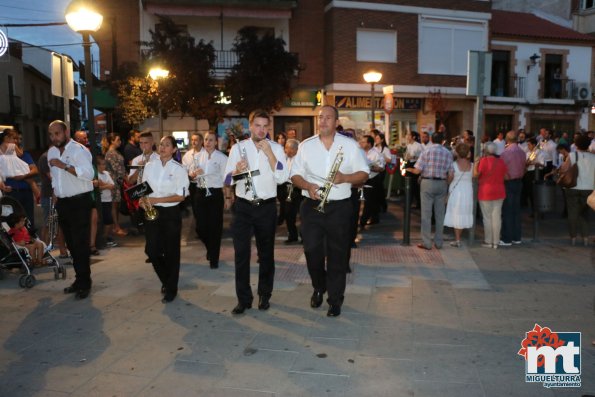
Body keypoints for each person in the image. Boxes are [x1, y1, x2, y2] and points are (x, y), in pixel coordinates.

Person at [290, 105, 369, 317]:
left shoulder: (350, 146)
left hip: (339, 207)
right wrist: (307, 186)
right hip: (312, 206)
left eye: (327, 117)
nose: (323, 121)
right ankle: (319, 286)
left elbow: (363, 174)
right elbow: (295, 175)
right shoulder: (306, 146)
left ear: (336, 122)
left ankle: (335, 299)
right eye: (320, 117)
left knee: (338, 255)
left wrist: (345, 178)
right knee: (311, 251)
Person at [224, 110, 289, 315]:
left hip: (267, 206)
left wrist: (270, 154)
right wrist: (235, 172)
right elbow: (226, 180)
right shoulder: (238, 148)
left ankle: (264, 295)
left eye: (265, 126)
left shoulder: (277, 148)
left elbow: (282, 178)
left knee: (266, 254)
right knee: (241, 254)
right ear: (250, 126)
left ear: (268, 128)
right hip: (243, 207)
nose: (261, 130)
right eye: (257, 125)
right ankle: (243, 299)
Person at [47, 120, 94, 300]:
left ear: (66, 132)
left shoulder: (78, 150)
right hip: (63, 203)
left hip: (80, 202)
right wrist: (55, 191)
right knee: (72, 245)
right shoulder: (52, 151)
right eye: (51, 134)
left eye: (57, 133)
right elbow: (54, 177)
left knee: (81, 244)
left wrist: (64, 165)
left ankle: (85, 283)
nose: (54, 137)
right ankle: (79, 279)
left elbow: (89, 174)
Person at [140, 136, 189, 303]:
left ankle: (171, 288)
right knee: (152, 251)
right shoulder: (149, 166)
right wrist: (142, 199)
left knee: (171, 252)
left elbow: (181, 196)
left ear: (174, 150)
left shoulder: (179, 169)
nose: (163, 147)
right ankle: (167, 280)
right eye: (161, 144)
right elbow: (144, 188)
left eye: (167, 145)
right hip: (152, 211)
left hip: (171, 213)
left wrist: (157, 200)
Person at [406, 132, 453, 250]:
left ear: (431, 139)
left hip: (427, 183)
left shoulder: (426, 152)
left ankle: (427, 243)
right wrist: (446, 183)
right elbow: (451, 173)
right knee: (440, 214)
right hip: (442, 183)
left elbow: (417, 171)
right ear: (442, 140)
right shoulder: (448, 153)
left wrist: (409, 169)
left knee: (426, 215)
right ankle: (439, 242)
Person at [191, 131, 227, 269]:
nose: (207, 142)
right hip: (200, 192)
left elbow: (226, 179)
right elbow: (191, 175)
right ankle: (210, 249)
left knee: (215, 228)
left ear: (216, 142)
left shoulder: (222, 158)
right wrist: (194, 174)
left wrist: (228, 196)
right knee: (200, 228)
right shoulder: (197, 156)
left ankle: (214, 258)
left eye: (211, 140)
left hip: (215, 194)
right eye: (206, 140)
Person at [1, 129, 41, 226]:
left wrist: (24, 176)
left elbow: (35, 170)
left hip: (26, 192)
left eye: (19, 139)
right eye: (15, 138)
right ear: (7, 138)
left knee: (28, 219)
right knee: (12, 219)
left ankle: (30, 237)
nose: (17, 141)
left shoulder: (26, 155)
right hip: (12, 192)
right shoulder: (10, 150)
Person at [474, 142, 508, 249]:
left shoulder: (483, 161)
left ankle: (488, 241)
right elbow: (506, 177)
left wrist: (475, 163)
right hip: (499, 191)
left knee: (487, 218)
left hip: (485, 191)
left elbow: (475, 175)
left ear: (486, 151)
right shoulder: (501, 162)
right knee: (497, 217)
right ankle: (496, 242)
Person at [565, 134, 595, 246]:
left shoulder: (572, 155)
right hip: (588, 188)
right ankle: (586, 238)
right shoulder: (593, 157)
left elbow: (565, 169)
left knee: (572, 213)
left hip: (573, 187)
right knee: (585, 214)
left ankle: (573, 237)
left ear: (576, 144)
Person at [499, 131, 526, 246]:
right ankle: (517, 237)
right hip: (519, 181)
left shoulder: (505, 153)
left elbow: (501, 169)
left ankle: (507, 238)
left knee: (507, 210)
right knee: (516, 210)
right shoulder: (522, 152)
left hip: (508, 182)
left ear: (507, 140)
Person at [444, 143, 473, 247]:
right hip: (468, 191)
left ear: (456, 153)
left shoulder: (453, 164)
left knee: (456, 213)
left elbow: (450, 177)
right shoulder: (472, 165)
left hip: (456, 191)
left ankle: (457, 240)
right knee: (463, 212)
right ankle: (458, 238)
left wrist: (447, 182)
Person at [102, 133, 128, 236]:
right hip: (113, 182)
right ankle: (116, 227)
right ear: (112, 141)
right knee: (114, 205)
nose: (120, 141)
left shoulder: (114, 152)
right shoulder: (111, 153)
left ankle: (115, 227)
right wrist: (127, 178)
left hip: (116, 181)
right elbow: (117, 169)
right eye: (118, 139)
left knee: (115, 205)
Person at [359, 135, 385, 228]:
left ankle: (362, 221)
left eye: (363, 142)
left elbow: (381, 168)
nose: (361, 143)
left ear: (369, 144)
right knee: (372, 201)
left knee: (368, 201)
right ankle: (375, 218)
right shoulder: (360, 152)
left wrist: (370, 166)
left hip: (372, 179)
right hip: (361, 179)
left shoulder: (376, 154)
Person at [182, 132, 205, 224]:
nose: (193, 142)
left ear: (201, 141)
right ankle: (199, 225)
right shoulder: (187, 155)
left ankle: (205, 226)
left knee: (203, 206)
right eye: (192, 140)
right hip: (192, 184)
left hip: (204, 183)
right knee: (195, 206)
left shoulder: (206, 153)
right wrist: (189, 176)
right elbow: (184, 170)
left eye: (196, 140)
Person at [96, 155, 118, 250]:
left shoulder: (106, 173)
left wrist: (103, 185)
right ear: (97, 165)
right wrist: (106, 186)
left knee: (109, 221)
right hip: (101, 201)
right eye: (102, 164)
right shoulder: (96, 174)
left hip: (108, 200)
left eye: (104, 164)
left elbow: (113, 186)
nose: (104, 166)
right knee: (104, 221)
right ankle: (102, 239)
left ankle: (105, 238)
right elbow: (97, 187)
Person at [284, 138, 302, 244]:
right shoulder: (285, 158)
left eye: (289, 148)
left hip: (298, 188)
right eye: (286, 148)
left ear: (296, 149)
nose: (286, 150)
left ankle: (304, 237)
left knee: (302, 215)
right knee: (288, 214)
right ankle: (292, 235)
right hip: (288, 187)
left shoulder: (300, 159)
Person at [523, 138, 545, 211]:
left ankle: (539, 210)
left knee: (537, 193)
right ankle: (533, 209)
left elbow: (542, 164)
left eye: (529, 145)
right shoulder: (528, 153)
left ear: (534, 145)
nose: (528, 146)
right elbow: (526, 163)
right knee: (530, 192)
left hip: (537, 173)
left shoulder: (540, 152)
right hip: (529, 174)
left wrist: (533, 162)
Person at [404, 131, 423, 208]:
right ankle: (409, 202)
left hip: (416, 165)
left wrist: (414, 157)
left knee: (415, 185)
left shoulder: (419, 146)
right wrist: (406, 157)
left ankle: (418, 203)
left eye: (409, 135)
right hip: (408, 164)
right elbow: (407, 155)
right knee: (409, 183)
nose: (407, 136)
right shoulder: (408, 145)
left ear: (413, 137)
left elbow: (423, 157)